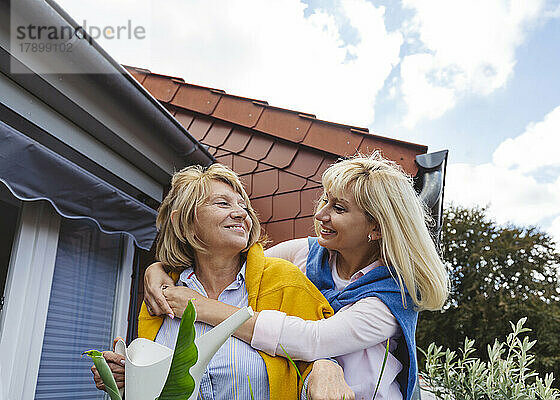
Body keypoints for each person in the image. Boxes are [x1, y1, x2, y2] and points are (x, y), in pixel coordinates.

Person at [145, 152, 450, 400]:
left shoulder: (389, 298)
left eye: (339, 208)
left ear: (376, 228)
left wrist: (207, 307)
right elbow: (245, 264)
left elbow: (313, 340)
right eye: (325, 201)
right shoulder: (305, 254)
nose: (320, 215)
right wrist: (158, 268)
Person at [91, 163, 353, 400]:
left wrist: (325, 366)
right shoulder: (161, 294)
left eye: (243, 207)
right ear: (185, 222)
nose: (241, 214)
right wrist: (125, 376)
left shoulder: (284, 281)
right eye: (223, 204)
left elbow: (320, 357)